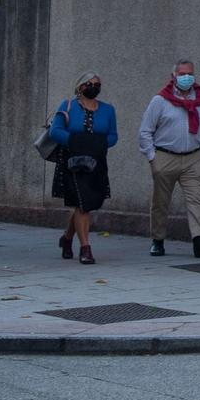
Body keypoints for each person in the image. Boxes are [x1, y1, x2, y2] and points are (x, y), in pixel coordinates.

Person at [139, 59, 200, 258]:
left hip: (193, 157)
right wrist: (152, 157)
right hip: (165, 156)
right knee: (161, 202)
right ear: (173, 77)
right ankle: (157, 240)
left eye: (190, 73)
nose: (186, 77)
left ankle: (199, 240)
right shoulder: (160, 100)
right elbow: (145, 131)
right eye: (182, 74)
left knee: (196, 200)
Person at [49, 73, 117, 264]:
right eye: (89, 84)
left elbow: (113, 136)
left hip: (96, 162)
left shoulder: (108, 110)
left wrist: (98, 144)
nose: (94, 87)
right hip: (73, 161)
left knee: (86, 203)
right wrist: (78, 142)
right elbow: (55, 131)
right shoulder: (68, 105)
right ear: (80, 87)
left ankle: (67, 239)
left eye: (97, 84)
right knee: (82, 204)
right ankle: (85, 248)